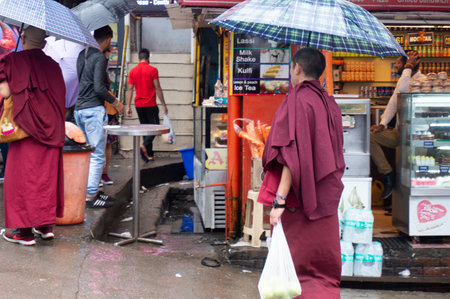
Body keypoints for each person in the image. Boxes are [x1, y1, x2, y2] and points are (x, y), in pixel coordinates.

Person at [262, 48, 345, 298]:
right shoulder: (329, 102)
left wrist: (280, 200)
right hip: (325, 197)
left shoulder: (297, 99)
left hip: (300, 200)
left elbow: (291, 155)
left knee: (297, 273)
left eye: (291, 68)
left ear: (297, 68)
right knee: (323, 271)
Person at [0, 26, 66, 246]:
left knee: (22, 178)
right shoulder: (54, 66)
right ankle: (45, 226)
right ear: (45, 43)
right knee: (46, 177)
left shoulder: (12, 61)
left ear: (24, 38)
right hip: (52, 130)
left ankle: (23, 232)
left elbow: (6, 93)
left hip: (25, 130)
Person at [75, 25, 124, 208]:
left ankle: (87, 190)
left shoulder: (82, 55)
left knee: (85, 154)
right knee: (97, 155)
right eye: (110, 42)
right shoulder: (99, 58)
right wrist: (116, 103)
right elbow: (98, 88)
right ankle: (91, 196)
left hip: (79, 110)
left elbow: (83, 83)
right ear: (107, 39)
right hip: (93, 111)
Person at [370, 50, 424, 201]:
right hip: (399, 132)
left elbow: (404, 90)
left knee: (408, 169)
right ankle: (388, 174)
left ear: (409, 64)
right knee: (371, 136)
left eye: (399, 63)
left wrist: (408, 67)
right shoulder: (402, 79)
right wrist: (382, 124)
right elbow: (394, 103)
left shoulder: (423, 80)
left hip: (417, 136)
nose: (396, 66)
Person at [126, 48, 168, 162]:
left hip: (138, 105)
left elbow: (130, 90)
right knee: (155, 127)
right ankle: (144, 145)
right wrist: (164, 104)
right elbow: (157, 87)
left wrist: (128, 106)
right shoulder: (153, 70)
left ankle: (148, 155)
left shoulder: (132, 71)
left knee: (145, 128)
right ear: (148, 58)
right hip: (150, 104)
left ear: (138, 58)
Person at [101, 46, 118, 186]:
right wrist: (116, 103)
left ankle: (104, 173)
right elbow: (100, 88)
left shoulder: (103, 66)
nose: (110, 53)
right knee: (101, 144)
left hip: (107, 109)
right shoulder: (98, 62)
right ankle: (99, 175)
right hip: (101, 108)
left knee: (107, 143)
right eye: (108, 50)